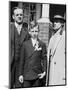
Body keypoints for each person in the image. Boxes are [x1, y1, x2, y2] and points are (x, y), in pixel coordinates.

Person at [18, 21, 47, 87]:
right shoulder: (25, 44)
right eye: (32, 31)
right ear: (29, 32)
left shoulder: (42, 44)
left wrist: (44, 72)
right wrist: (20, 74)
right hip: (27, 75)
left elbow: (44, 58)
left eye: (36, 31)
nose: (34, 33)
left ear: (39, 31)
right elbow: (21, 60)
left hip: (37, 75)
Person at [10, 7, 30, 88]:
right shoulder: (8, 28)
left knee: (19, 86)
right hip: (9, 63)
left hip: (21, 66)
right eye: (17, 15)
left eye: (21, 15)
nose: (19, 16)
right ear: (13, 16)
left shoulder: (26, 30)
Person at [47, 15, 66, 86]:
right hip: (51, 73)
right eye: (54, 22)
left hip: (60, 74)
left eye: (57, 22)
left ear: (62, 24)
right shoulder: (52, 37)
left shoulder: (65, 36)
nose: (54, 23)